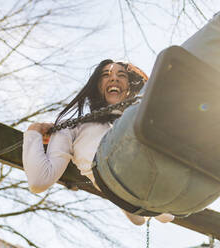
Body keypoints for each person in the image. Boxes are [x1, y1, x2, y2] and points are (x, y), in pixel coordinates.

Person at [22, 59, 174, 225]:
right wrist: (33, 131)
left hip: (149, 176)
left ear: (130, 87)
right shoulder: (74, 128)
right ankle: (129, 201)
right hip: (110, 175)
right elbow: (39, 181)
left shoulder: (140, 122)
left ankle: (135, 203)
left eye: (121, 75)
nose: (114, 78)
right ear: (97, 86)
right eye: (106, 75)